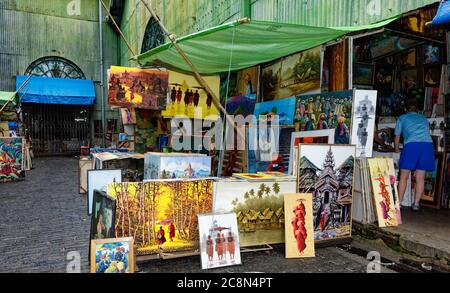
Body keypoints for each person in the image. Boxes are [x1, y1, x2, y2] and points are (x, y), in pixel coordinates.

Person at [395, 98, 435, 211]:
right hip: (427, 146)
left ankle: (399, 203)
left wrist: (397, 149)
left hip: (412, 146)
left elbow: (397, 137)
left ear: (405, 109)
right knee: (420, 177)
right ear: (417, 109)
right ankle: (416, 204)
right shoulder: (423, 118)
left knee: (404, 176)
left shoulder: (402, 118)